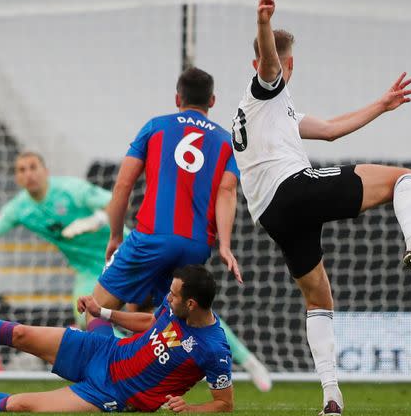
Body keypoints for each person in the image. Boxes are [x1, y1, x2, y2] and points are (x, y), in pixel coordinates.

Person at [232, 0, 411, 416]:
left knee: (319, 297)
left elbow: (328, 130)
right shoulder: (265, 89)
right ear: (283, 65)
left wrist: (381, 105)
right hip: (292, 188)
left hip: (273, 213)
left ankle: (330, 394)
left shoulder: (274, 109)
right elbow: (270, 64)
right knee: (404, 178)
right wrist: (264, 24)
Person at [89, 66, 273, 391]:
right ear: (212, 100)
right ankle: (149, 383)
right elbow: (228, 191)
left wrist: (116, 235)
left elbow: (123, 185)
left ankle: (98, 380)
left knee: (96, 309)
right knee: (164, 322)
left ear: (177, 98)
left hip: (152, 237)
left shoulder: (156, 127)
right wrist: (225, 245)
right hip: (196, 245)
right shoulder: (225, 141)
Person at [0, 265, 234, 414]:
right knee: (19, 333)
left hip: (110, 393)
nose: (168, 298)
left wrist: (189, 409)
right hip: (103, 350)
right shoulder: (175, 308)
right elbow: (149, 321)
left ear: (192, 303)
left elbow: (224, 404)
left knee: (20, 404)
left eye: (174, 296)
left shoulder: (214, 348)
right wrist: (103, 312)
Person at [0, 151, 119, 328]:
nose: (29, 174)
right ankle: (124, 354)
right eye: (22, 170)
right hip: (88, 269)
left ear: (46, 171)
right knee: (85, 317)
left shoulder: (71, 189)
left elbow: (116, 201)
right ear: (17, 178)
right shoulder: (20, 208)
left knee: (141, 306)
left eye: (33, 167)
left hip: (120, 251)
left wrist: (98, 219)